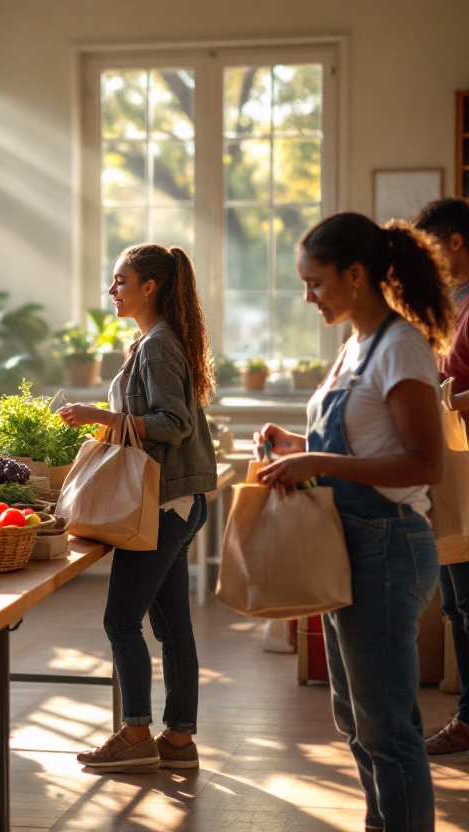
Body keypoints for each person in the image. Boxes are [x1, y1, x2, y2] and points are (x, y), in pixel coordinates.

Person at [257, 212, 452, 831]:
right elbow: (366, 440)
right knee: (355, 718)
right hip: (351, 546)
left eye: (315, 283)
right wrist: (294, 442)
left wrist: (317, 459)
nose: (308, 296)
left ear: (356, 273)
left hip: (388, 548)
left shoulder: (400, 348)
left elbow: (426, 464)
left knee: (388, 727)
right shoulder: (355, 346)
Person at [58, 243, 217, 774]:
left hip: (164, 503)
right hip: (177, 500)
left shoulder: (156, 346)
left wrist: (96, 416)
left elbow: (174, 425)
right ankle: (177, 740)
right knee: (173, 630)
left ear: (149, 287)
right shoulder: (155, 341)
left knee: (121, 621)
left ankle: (135, 732)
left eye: (120, 280)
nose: (112, 290)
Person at [414, 196, 469, 755]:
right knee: (455, 602)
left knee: (468, 600)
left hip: (467, 472)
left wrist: (445, 400)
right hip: (451, 469)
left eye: (433, 247)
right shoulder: (451, 304)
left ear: (454, 241)